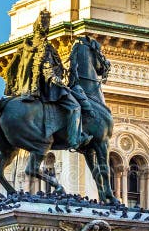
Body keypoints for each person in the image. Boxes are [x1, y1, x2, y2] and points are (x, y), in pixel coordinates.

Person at [12, 9, 92, 150]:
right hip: (50, 88)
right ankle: (75, 139)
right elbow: (48, 71)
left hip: (35, 87)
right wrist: (60, 82)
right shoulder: (44, 46)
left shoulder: (31, 44)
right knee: (75, 107)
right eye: (46, 26)